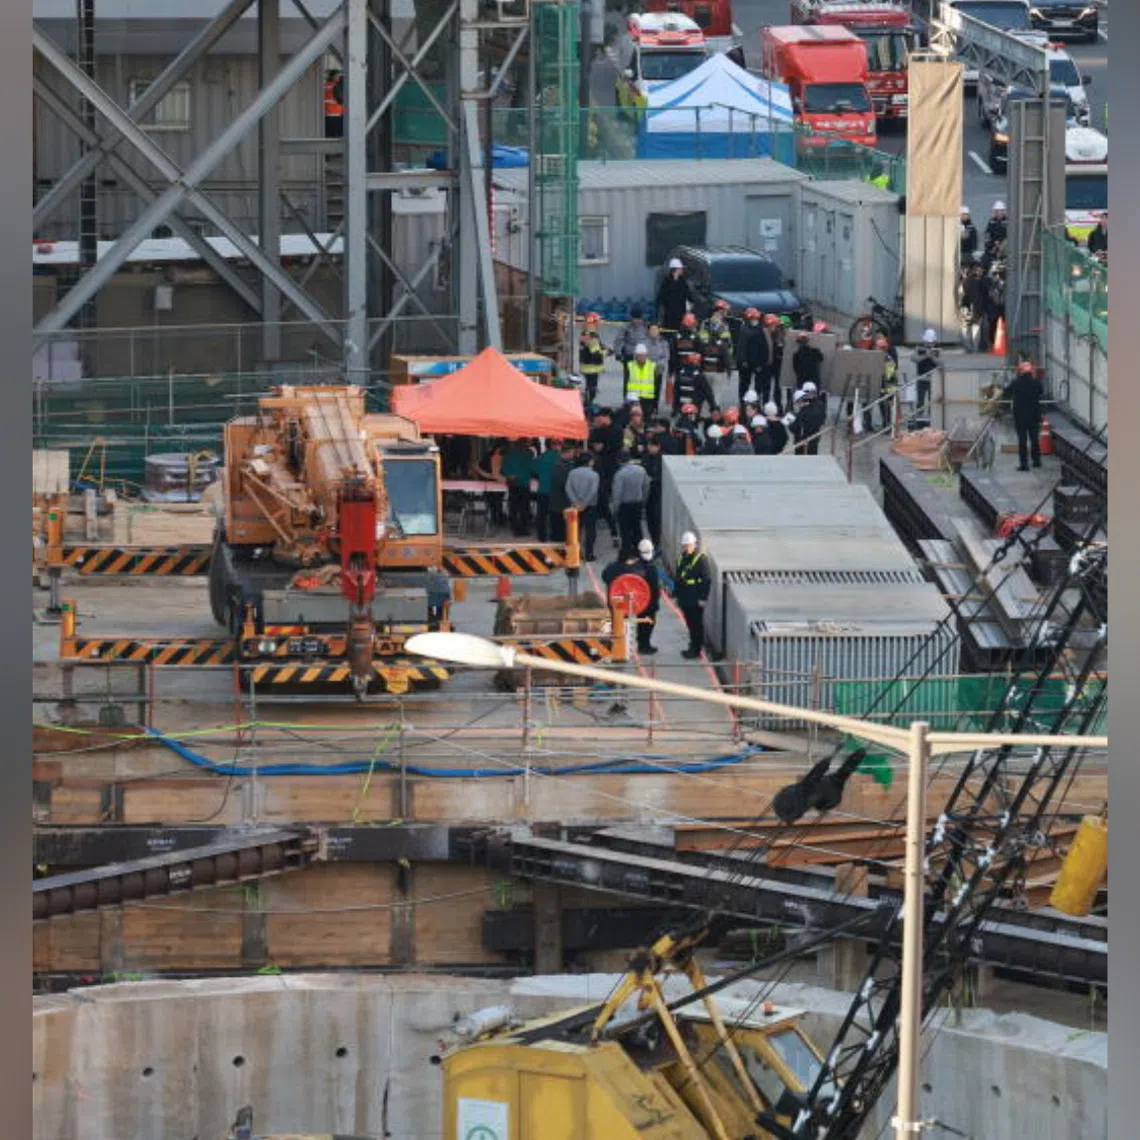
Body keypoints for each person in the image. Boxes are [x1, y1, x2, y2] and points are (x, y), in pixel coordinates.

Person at [602, 544, 660, 655]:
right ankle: (643, 646)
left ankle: (617, 648)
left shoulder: (611, 568)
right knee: (645, 624)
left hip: (615, 603)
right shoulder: (639, 569)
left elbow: (604, 577)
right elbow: (649, 586)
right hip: (636, 603)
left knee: (618, 626)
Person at [674, 530, 711, 659]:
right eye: (685, 545)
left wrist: (703, 598)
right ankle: (693, 645)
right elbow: (677, 579)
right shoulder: (680, 559)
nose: (687, 548)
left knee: (696, 624)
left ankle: (696, 649)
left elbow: (706, 580)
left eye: (689, 545)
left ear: (695, 545)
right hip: (685, 597)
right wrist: (676, 595)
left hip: (695, 598)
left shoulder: (701, 559)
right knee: (689, 623)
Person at [1004, 359, 1045, 471]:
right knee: (1034, 439)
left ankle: (1024, 464)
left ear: (1020, 371)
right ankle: (1036, 461)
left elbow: (1006, 392)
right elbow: (1041, 391)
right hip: (1034, 416)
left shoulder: (1016, 383)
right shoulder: (1036, 383)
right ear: (1031, 371)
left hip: (1020, 416)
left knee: (1022, 440)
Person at [589, 407, 622, 542]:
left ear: (607, 417)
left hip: (610, 466)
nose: (598, 419)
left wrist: (603, 447)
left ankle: (606, 516)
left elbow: (616, 446)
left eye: (600, 417)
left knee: (605, 491)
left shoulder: (616, 430)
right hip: (598, 466)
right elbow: (592, 442)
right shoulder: (597, 430)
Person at [610, 449, 649, 550]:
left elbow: (616, 494)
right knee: (637, 529)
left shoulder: (619, 474)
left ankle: (627, 553)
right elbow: (646, 487)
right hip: (638, 504)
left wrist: (615, 509)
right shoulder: (641, 470)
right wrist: (643, 501)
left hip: (624, 506)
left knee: (625, 531)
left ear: (619, 461)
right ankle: (640, 551)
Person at [565, 452, 600, 560]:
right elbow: (593, 491)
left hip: (575, 506)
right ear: (589, 462)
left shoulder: (572, 473)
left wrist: (575, 502)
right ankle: (589, 554)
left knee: (576, 530)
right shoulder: (594, 475)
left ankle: (577, 554)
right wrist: (584, 504)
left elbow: (568, 488)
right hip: (590, 506)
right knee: (590, 531)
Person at [736, 308, 772, 406]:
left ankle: (755, 402)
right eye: (754, 318)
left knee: (757, 385)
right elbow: (741, 347)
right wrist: (743, 361)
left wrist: (760, 363)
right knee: (744, 384)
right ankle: (743, 403)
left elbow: (761, 347)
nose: (755, 320)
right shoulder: (745, 330)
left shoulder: (757, 329)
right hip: (747, 363)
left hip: (755, 362)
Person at [501, 437, 535, 537]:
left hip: (513, 483)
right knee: (524, 507)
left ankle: (514, 528)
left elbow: (504, 467)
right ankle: (523, 529)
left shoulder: (509, 453)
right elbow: (531, 468)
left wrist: (509, 475)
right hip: (524, 483)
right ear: (525, 443)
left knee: (513, 507)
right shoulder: (529, 453)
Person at [470, 441, 507, 528]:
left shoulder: (502, 457)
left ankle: (497, 518)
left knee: (497, 502)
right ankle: (497, 519)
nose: (502, 450)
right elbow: (477, 468)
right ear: (496, 448)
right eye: (501, 448)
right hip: (488, 483)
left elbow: (477, 468)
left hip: (497, 483)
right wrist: (487, 475)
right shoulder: (487, 457)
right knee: (494, 502)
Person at [531, 439, 562, 543]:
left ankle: (542, 536)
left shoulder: (539, 458)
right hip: (556, 491)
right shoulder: (559, 458)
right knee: (556, 514)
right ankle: (555, 535)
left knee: (541, 515)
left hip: (543, 490)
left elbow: (533, 472)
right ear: (554, 445)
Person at [547, 440, 578, 544]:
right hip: (559, 503)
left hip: (562, 502)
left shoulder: (566, 464)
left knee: (564, 530)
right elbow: (563, 484)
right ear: (568, 452)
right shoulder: (559, 466)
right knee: (558, 531)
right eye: (573, 452)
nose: (574, 454)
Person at [910, 329, 940, 429]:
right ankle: (919, 423)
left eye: (931, 342)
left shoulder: (937, 350)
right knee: (920, 402)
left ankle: (933, 421)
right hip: (921, 378)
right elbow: (913, 358)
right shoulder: (919, 348)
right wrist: (925, 355)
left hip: (934, 380)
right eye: (927, 342)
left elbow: (941, 363)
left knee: (933, 402)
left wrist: (932, 357)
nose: (929, 344)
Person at [673, 352, 718, 418]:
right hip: (694, 406)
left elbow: (676, 391)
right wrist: (713, 407)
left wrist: (675, 408)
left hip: (681, 405)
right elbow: (708, 392)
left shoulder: (680, 374)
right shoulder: (699, 376)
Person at [698, 300, 735, 379]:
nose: (726, 313)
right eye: (725, 311)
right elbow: (703, 341)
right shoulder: (706, 324)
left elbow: (728, 343)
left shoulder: (724, 324)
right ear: (720, 311)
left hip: (721, 361)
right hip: (711, 360)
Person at [578, 314, 610, 406]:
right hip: (592, 368)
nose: (599, 324)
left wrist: (603, 347)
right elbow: (596, 355)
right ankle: (587, 408)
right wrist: (607, 352)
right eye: (598, 322)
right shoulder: (592, 336)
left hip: (586, 367)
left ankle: (586, 405)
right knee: (592, 391)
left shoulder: (584, 334)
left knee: (589, 388)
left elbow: (592, 348)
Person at [656, 258, 692, 336]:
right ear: (676, 269)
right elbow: (661, 297)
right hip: (669, 315)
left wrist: (691, 302)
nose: (682, 270)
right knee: (669, 333)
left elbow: (688, 294)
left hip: (681, 314)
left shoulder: (682, 281)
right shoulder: (666, 281)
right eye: (681, 268)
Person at [624, 343, 658, 418]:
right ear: (635, 356)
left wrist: (655, 402)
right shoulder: (630, 366)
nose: (641, 357)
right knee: (633, 418)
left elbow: (657, 385)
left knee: (646, 418)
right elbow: (626, 383)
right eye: (639, 355)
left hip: (647, 397)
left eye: (643, 355)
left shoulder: (652, 366)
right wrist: (626, 399)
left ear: (646, 355)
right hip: (633, 398)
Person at [642, 435, 664, 547]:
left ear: (658, 447)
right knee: (650, 518)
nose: (649, 448)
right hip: (647, 493)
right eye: (648, 446)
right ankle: (654, 540)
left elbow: (662, 477)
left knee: (656, 518)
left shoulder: (662, 459)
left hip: (658, 493)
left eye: (651, 446)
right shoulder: (645, 458)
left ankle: (657, 542)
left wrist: (653, 479)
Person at [644, 322, 672, 406]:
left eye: (656, 329)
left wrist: (658, 364)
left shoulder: (663, 342)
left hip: (658, 368)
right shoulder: (643, 342)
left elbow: (666, 356)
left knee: (656, 388)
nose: (654, 331)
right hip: (646, 368)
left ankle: (655, 406)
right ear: (648, 331)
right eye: (652, 329)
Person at [875, 333, 899, 430]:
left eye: (882, 348)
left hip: (889, 383)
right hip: (882, 383)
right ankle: (886, 423)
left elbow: (890, 374)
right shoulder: (877, 356)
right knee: (882, 404)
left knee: (889, 404)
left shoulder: (889, 357)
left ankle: (889, 424)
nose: (880, 349)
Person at [793, 387, 826, 455]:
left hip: (803, 439)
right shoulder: (818, 405)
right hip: (814, 436)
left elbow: (795, 427)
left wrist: (796, 415)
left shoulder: (803, 412)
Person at [324, 70, 344, 138]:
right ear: (333, 76)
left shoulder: (326, 85)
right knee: (336, 136)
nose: (338, 77)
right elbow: (340, 100)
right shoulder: (335, 86)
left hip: (327, 113)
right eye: (337, 75)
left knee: (329, 135)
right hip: (336, 114)